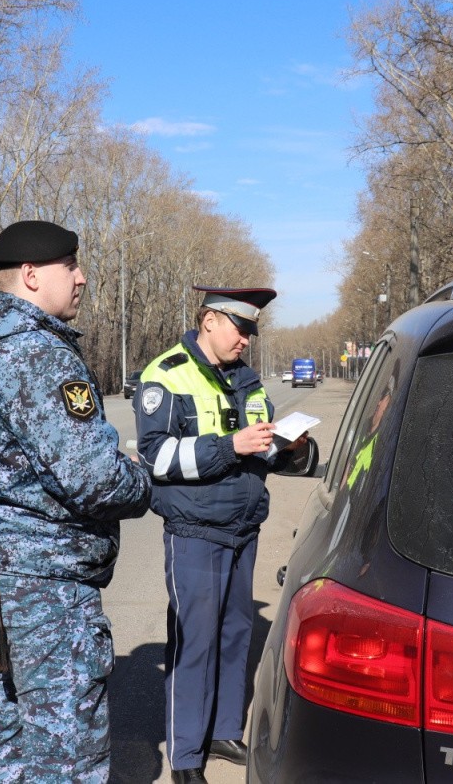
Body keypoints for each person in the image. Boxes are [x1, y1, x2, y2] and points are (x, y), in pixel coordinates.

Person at [0, 219, 152, 783]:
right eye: (70, 266)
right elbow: (94, 479)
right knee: (65, 752)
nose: (81, 278)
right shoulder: (37, 354)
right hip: (45, 578)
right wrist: (141, 478)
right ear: (30, 275)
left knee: (5, 733)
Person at [134, 285, 309, 783]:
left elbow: (263, 446)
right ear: (209, 320)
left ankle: (224, 730)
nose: (248, 340)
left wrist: (289, 449)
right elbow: (156, 458)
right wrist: (230, 445)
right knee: (195, 641)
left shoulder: (248, 381)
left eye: (253, 330)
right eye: (242, 328)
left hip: (242, 526)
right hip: (194, 529)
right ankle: (186, 757)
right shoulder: (165, 375)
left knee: (236, 633)